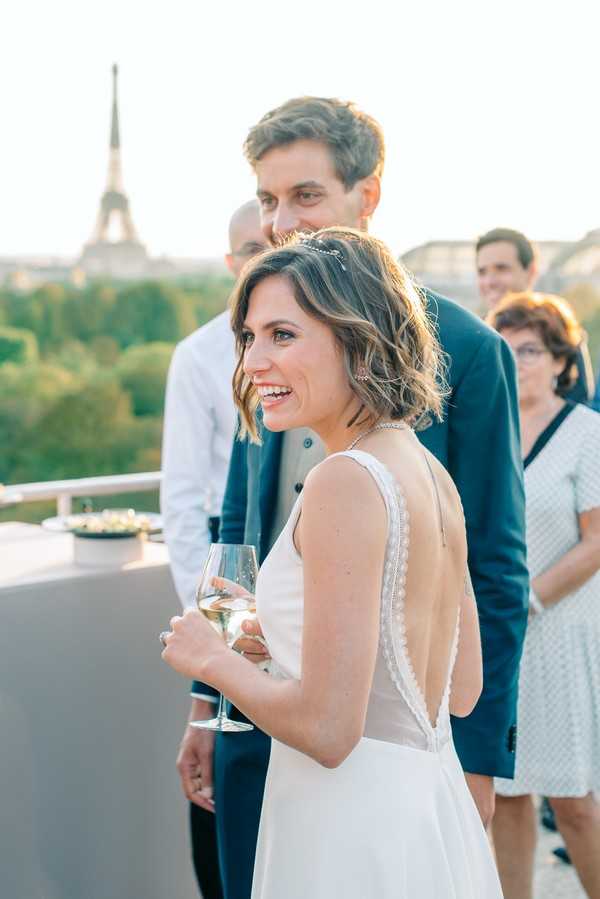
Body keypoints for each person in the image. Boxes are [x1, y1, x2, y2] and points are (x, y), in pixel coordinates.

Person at [189, 97, 528, 899]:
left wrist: (477, 760)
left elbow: (497, 570)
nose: (281, 222)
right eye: (268, 200)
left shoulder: (466, 354)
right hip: (290, 738)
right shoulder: (317, 394)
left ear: (365, 194)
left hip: (359, 773)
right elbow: (240, 534)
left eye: (303, 195)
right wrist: (212, 698)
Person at [160, 199, 266, 899]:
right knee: (224, 803)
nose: (268, 255)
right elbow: (183, 505)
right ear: (232, 264)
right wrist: (219, 632)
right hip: (231, 599)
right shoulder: (198, 355)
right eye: (252, 249)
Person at [487, 291, 600, 899]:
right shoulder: (488, 430)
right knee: (507, 793)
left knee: (573, 798)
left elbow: (597, 541)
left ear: (560, 359)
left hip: (560, 631)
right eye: (504, 350)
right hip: (500, 639)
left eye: (529, 350)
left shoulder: (588, 433)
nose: (516, 362)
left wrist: (528, 600)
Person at [476, 227, 593, 403]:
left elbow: (578, 403)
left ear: (531, 272)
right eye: (482, 272)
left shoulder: (561, 332)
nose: (490, 281)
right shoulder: (472, 336)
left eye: (501, 269)